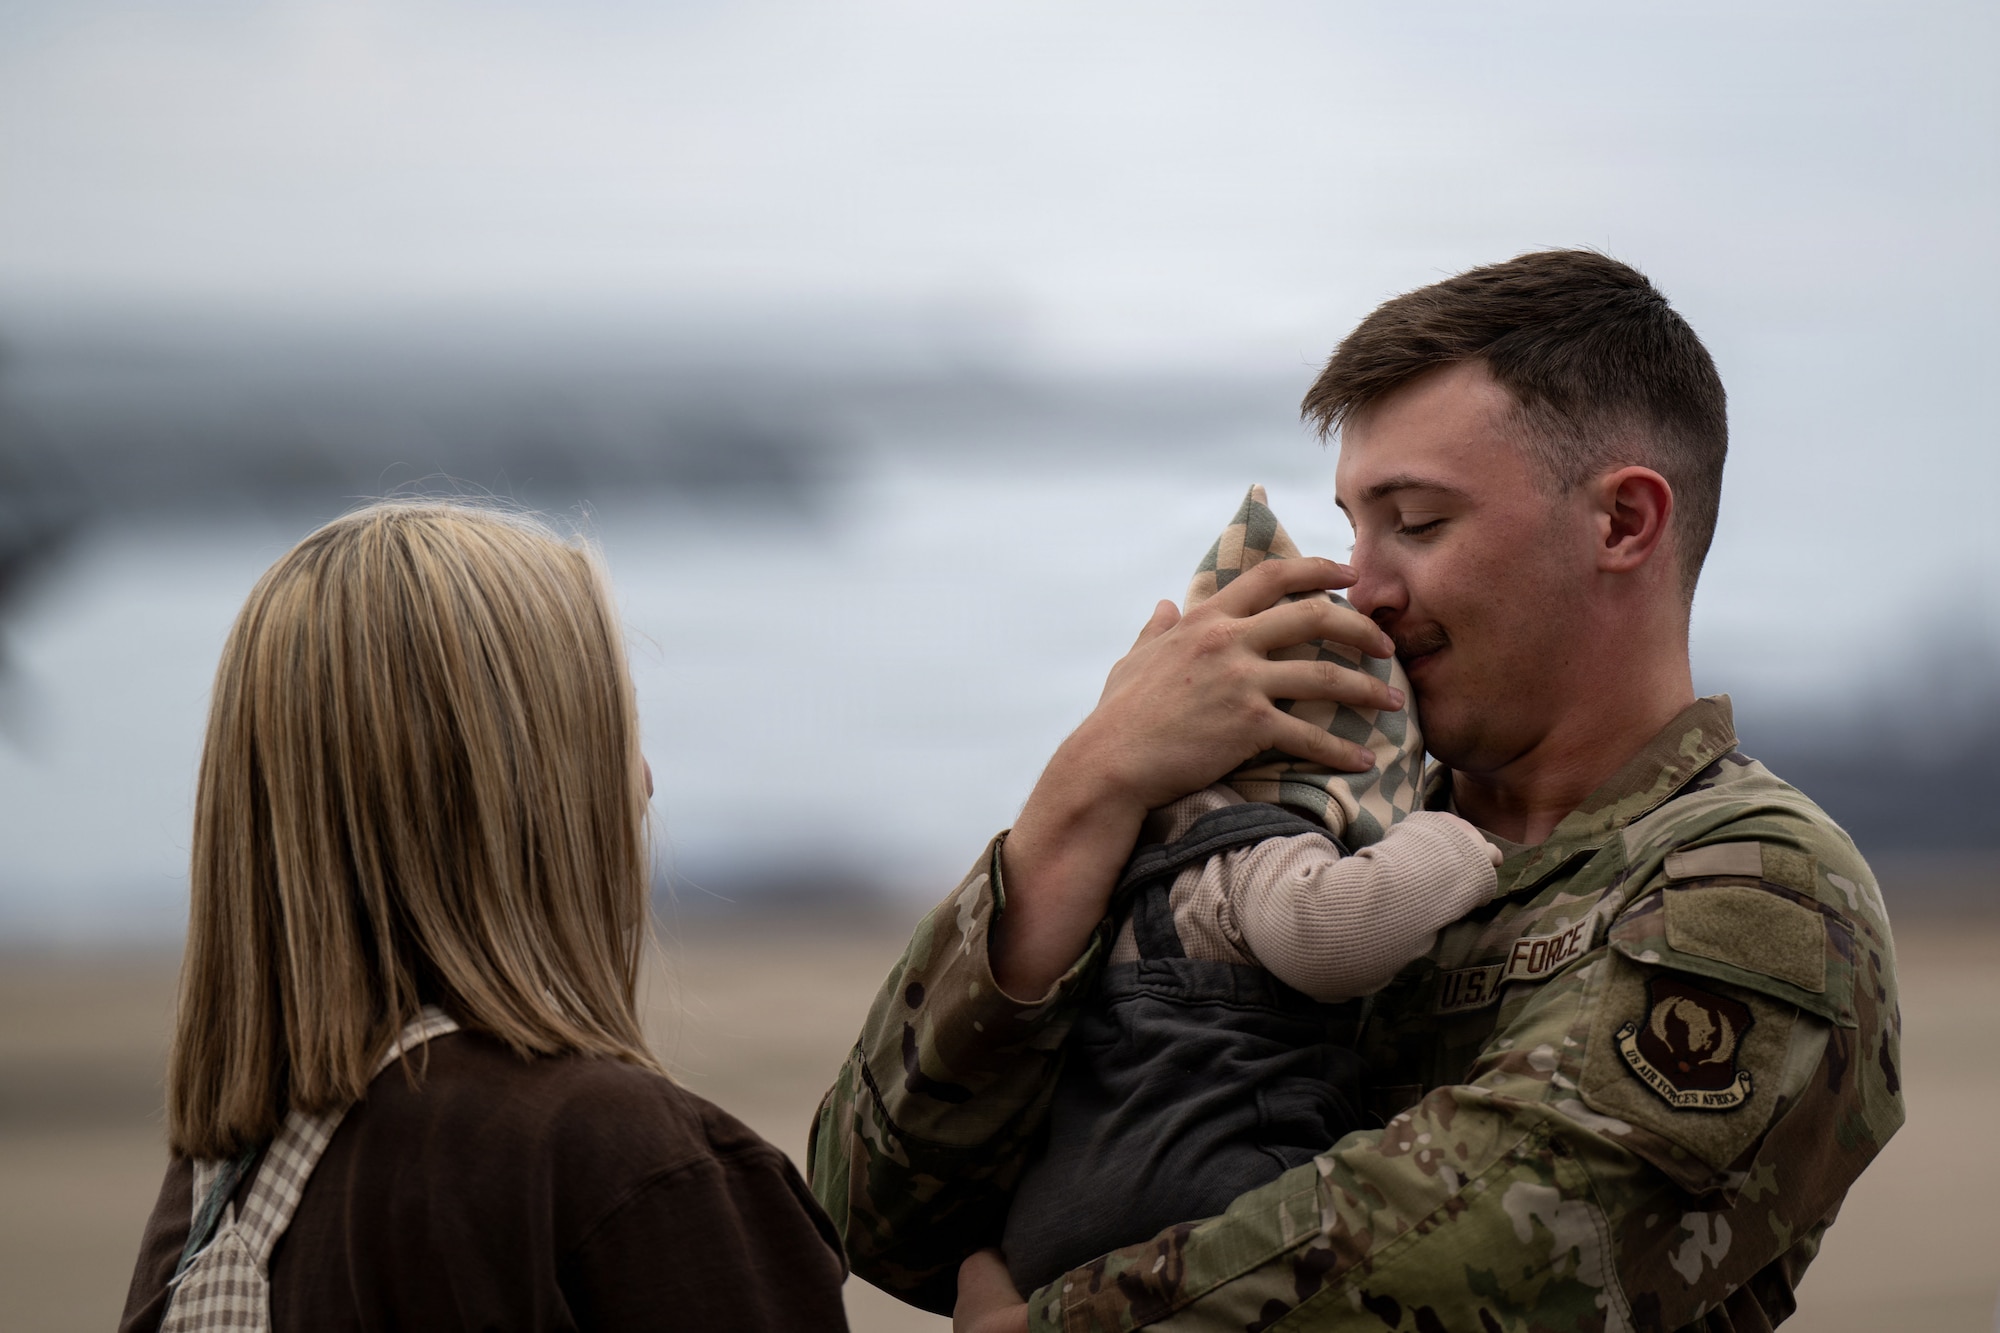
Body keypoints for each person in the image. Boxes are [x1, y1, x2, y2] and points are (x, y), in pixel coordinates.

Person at [806, 250, 1904, 1332]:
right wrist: (1083, 794)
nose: (1362, 589)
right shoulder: (1309, 835)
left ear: (1621, 522)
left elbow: (1485, 1246)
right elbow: (877, 1217)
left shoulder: (1757, 889)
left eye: (1418, 524)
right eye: (1350, 525)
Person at [121, 502, 849, 1333]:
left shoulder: (210, 1198)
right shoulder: (615, 1160)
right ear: (517, 789)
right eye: (611, 728)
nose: (644, 781)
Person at [999, 483, 1501, 1294]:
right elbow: (1329, 934)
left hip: (1070, 1205)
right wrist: (1453, 842)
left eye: (1417, 525)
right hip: (1207, 1187)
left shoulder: (1143, 852)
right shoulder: (1253, 838)